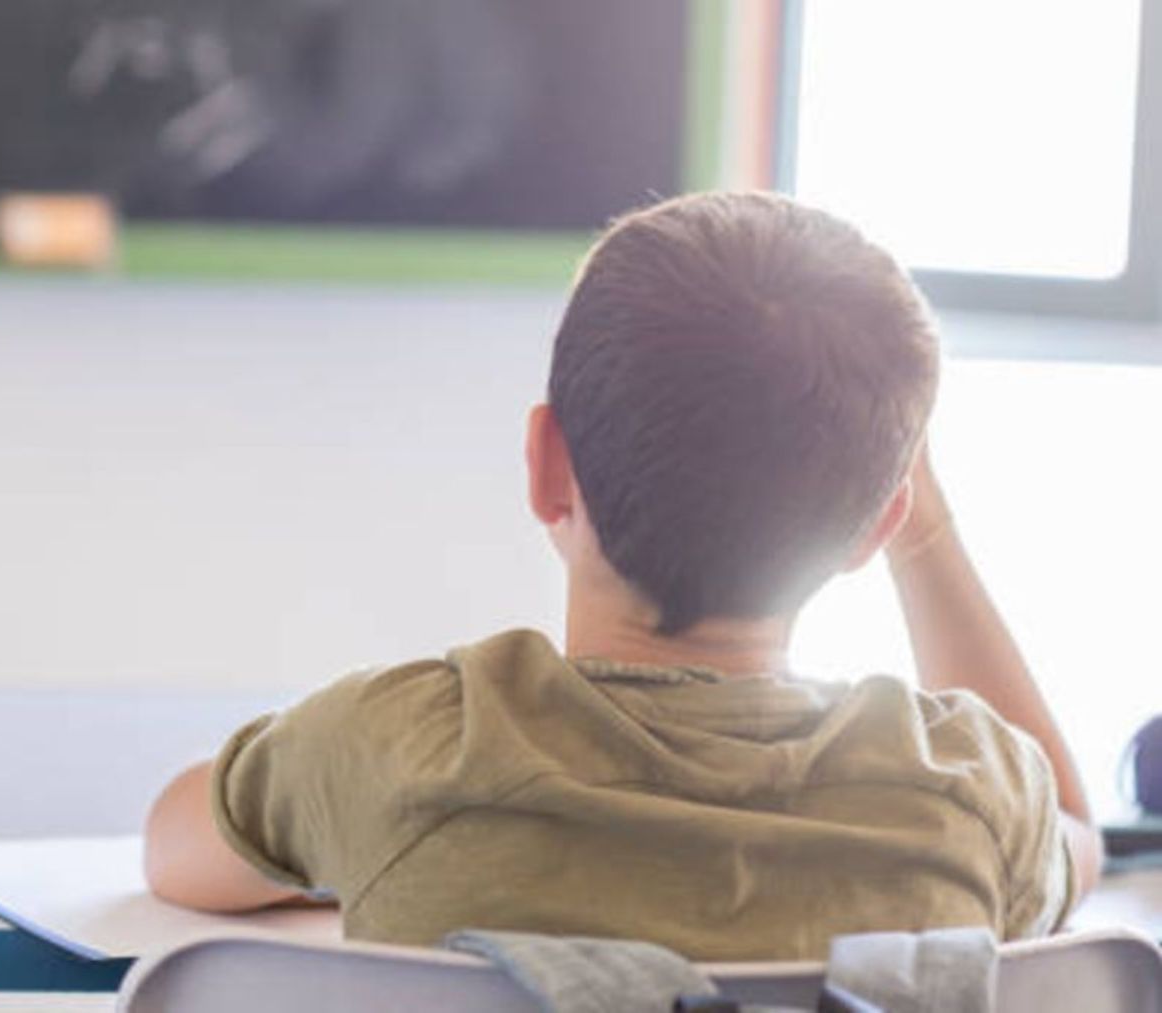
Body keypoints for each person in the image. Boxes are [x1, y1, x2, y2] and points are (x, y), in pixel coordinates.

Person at [141, 192, 1103, 960]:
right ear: (878, 521)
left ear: (546, 463)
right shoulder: (969, 797)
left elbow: (173, 848)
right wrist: (923, 529)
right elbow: (1072, 832)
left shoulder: (406, 749)